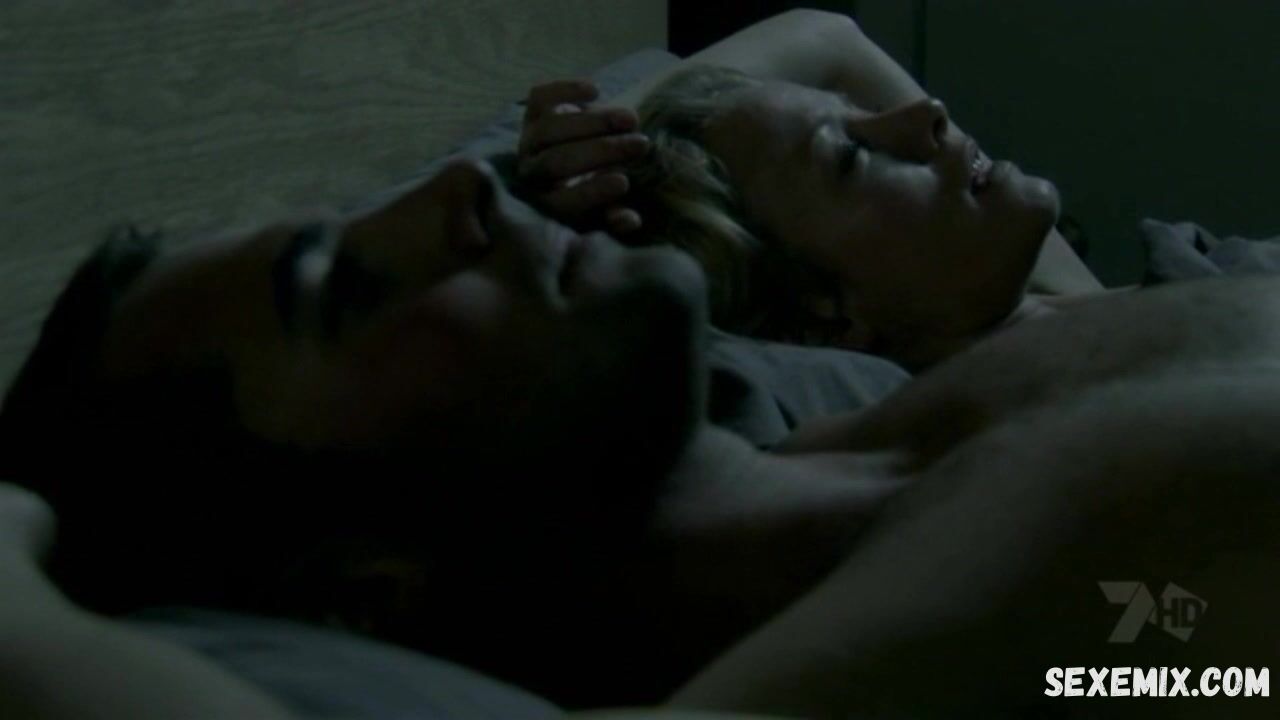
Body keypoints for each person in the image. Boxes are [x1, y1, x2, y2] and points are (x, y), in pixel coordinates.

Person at [3, 148, 1280, 718]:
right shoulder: (889, 655)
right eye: (342, 290)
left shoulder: (894, 412)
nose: (456, 190)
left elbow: (826, 46)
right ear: (359, 593)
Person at [513, 10, 1129, 370]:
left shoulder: (1058, 302)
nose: (927, 114)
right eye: (851, 157)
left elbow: (830, 39)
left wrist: (598, 137)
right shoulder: (1078, 417)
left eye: (865, 110)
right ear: (827, 319)